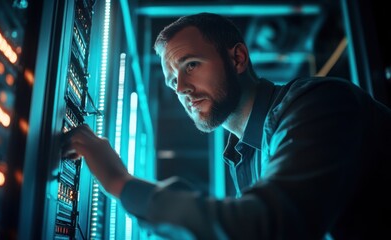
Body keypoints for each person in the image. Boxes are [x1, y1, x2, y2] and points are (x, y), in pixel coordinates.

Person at [62, 12, 391, 240]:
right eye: (173, 80)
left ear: (237, 59)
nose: (182, 88)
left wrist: (121, 183)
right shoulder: (244, 156)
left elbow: (267, 228)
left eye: (190, 65)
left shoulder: (319, 103)